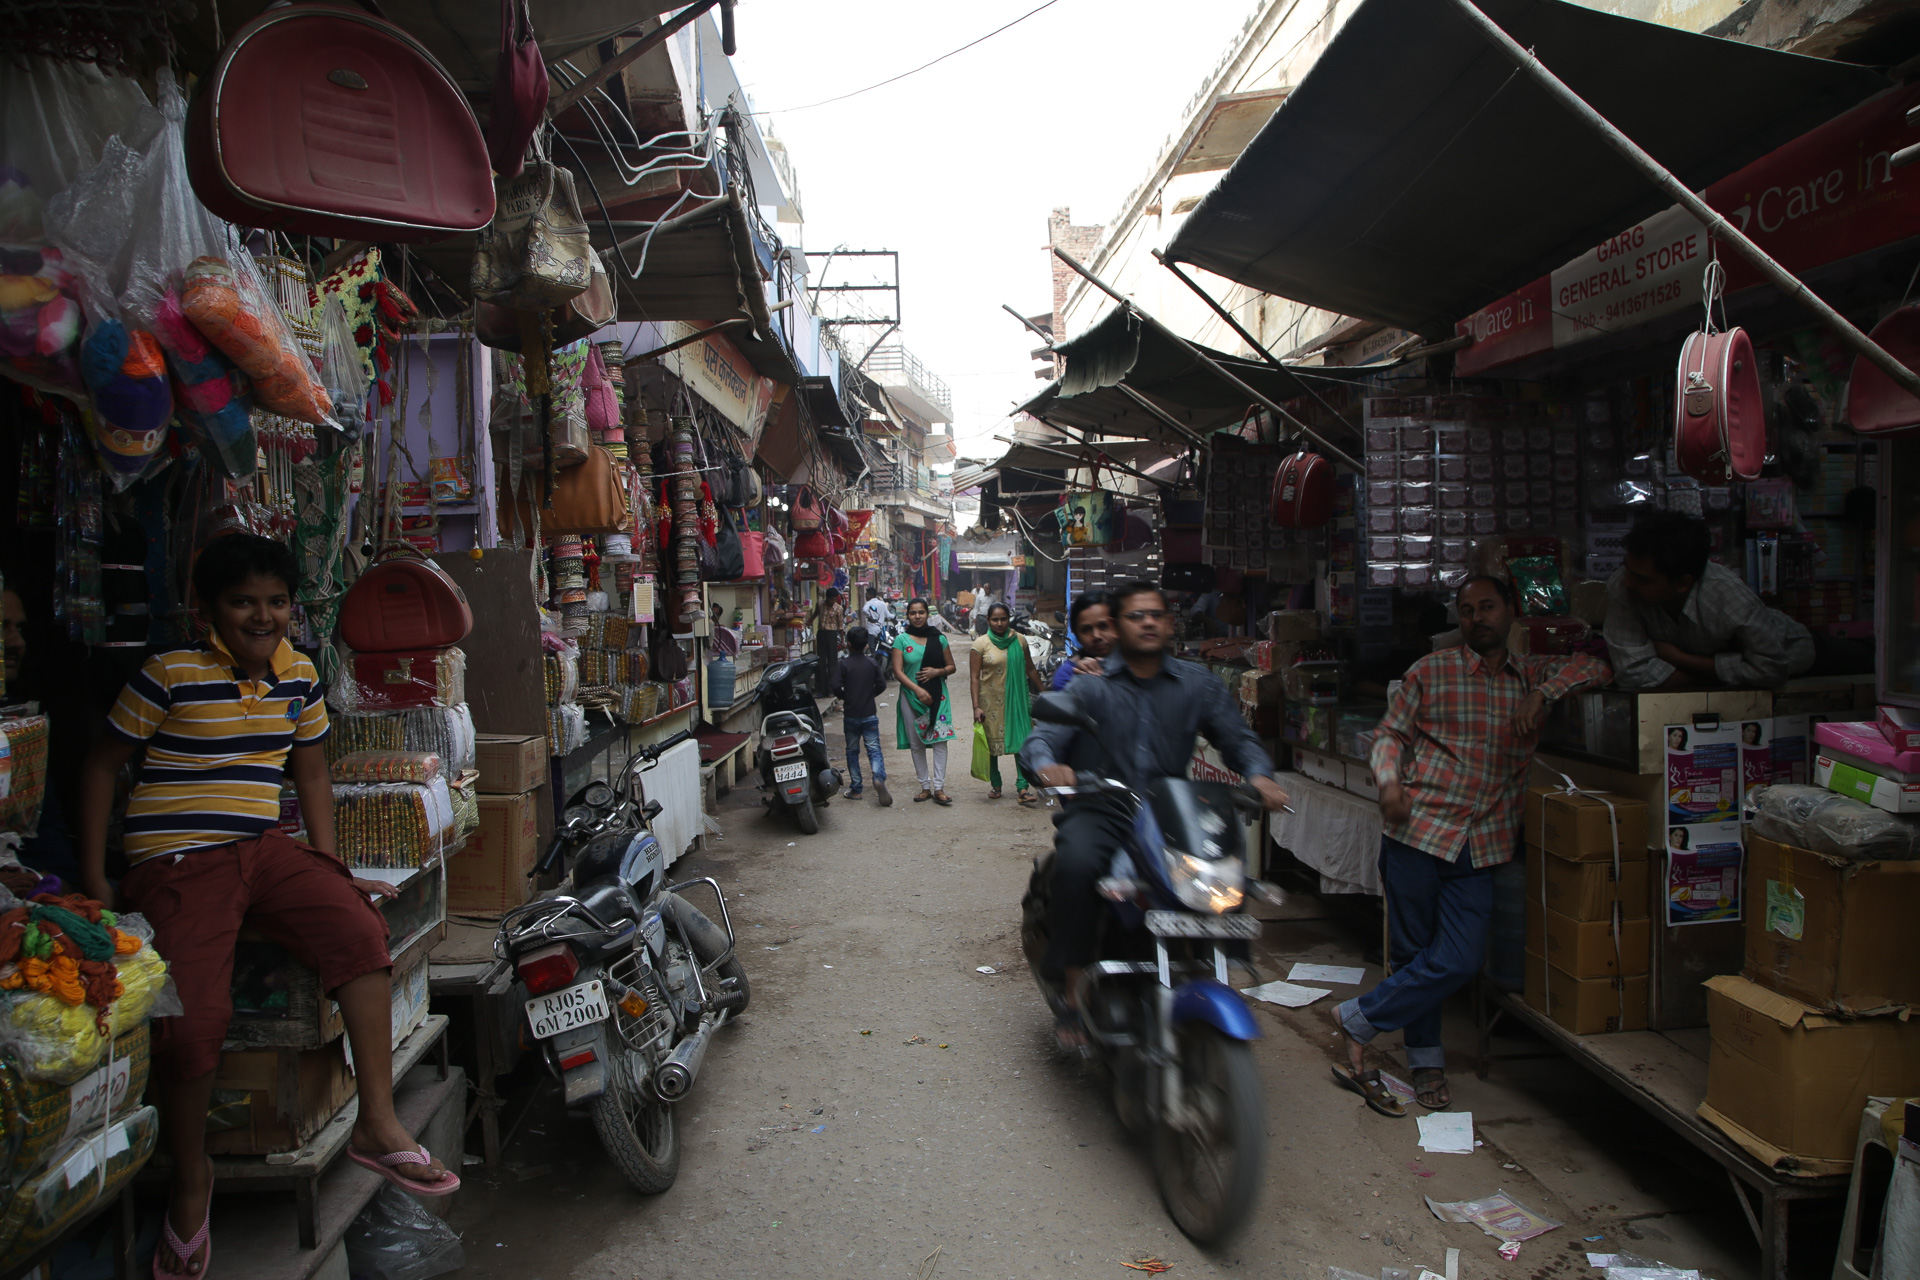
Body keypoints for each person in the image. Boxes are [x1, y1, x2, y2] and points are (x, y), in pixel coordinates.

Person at [77, 535, 456, 1276]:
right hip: (179, 860)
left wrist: (331, 866)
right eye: (243, 602)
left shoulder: (300, 676)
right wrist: (96, 878)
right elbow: (100, 766)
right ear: (207, 610)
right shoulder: (169, 674)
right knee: (193, 1024)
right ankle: (193, 1182)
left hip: (264, 850)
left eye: (276, 602)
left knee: (358, 930)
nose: (263, 616)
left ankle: (376, 1123)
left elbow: (311, 773)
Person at [1335, 574, 1611, 1118]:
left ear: (1511, 612)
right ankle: (1426, 1063)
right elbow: (1389, 734)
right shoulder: (1431, 671)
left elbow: (1599, 663)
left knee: (1458, 959)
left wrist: (1543, 692)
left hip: (1483, 844)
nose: (1476, 618)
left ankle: (1359, 1018)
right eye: (1466, 610)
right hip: (1418, 832)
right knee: (1414, 954)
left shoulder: (1532, 673)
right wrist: (1389, 783)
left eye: (1487, 607)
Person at [1020, 581, 1291, 1049]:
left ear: (1169, 623)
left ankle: (1220, 965)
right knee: (1079, 863)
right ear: (1120, 628)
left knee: (1226, 867)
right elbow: (1043, 739)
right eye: (1134, 616)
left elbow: (1238, 739)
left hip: (1172, 811)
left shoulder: (1198, 684)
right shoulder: (1092, 686)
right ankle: (1073, 992)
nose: (1147, 622)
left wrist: (1259, 775)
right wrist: (1048, 765)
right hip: (1104, 805)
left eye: (1155, 615)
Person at [1604, 509, 1813, 689]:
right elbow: (1632, 671)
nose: (1628, 582)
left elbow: (1770, 671)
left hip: (1800, 655)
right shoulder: (1623, 584)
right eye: (1627, 568)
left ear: (1682, 584)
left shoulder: (1728, 596)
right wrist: (1712, 678)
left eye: (1642, 579)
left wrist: (1680, 659)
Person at [970, 603, 1043, 804]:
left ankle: (1022, 787)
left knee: (1021, 742)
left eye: (1004, 619)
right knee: (992, 744)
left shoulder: (1019, 640)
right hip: (989, 701)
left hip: (1017, 699)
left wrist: (1044, 693)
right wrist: (976, 706)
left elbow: (1030, 669)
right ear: (988, 621)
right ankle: (996, 784)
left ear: (1009, 619)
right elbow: (975, 678)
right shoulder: (980, 645)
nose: (1000, 623)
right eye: (995, 619)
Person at [891, 598, 956, 805]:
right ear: (907, 615)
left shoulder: (939, 639)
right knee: (916, 742)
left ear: (928, 615)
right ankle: (924, 787)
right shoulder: (901, 640)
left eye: (921, 612)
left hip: (938, 696)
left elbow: (951, 666)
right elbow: (898, 672)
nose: (917, 617)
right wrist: (917, 689)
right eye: (913, 613)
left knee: (940, 740)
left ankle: (939, 788)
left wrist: (938, 671)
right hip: (911, 697)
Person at [830, 627, 891, 807]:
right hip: (869, 714)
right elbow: (882, 685)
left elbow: (834, 685)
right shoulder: (872, 663)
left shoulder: (843, 665)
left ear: (848, 644)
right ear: (866, 645)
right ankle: (878, 778)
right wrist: (869, 694)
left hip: (851, 715)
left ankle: (856, 789)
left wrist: (845, 696)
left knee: (852, 751)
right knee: (874, 749)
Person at [1051, 590, 1115, 690]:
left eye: (1103, 626)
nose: (1096, 636)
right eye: (1086, 630)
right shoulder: (1069, 675)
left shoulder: (1136, 665)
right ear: (1077, 635)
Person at [808, 587, 847, 697]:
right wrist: (809, 621)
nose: (832, 601)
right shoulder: (820, 604)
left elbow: (840, 626)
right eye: (831, 599)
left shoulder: (839, 609)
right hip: (821, 633)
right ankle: (820, 690)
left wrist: (843, 641)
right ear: (827, 598)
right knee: (820, 662)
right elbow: (815, 614)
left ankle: (831, 690)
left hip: (832, 635)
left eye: (834, 599)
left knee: (832, 663)